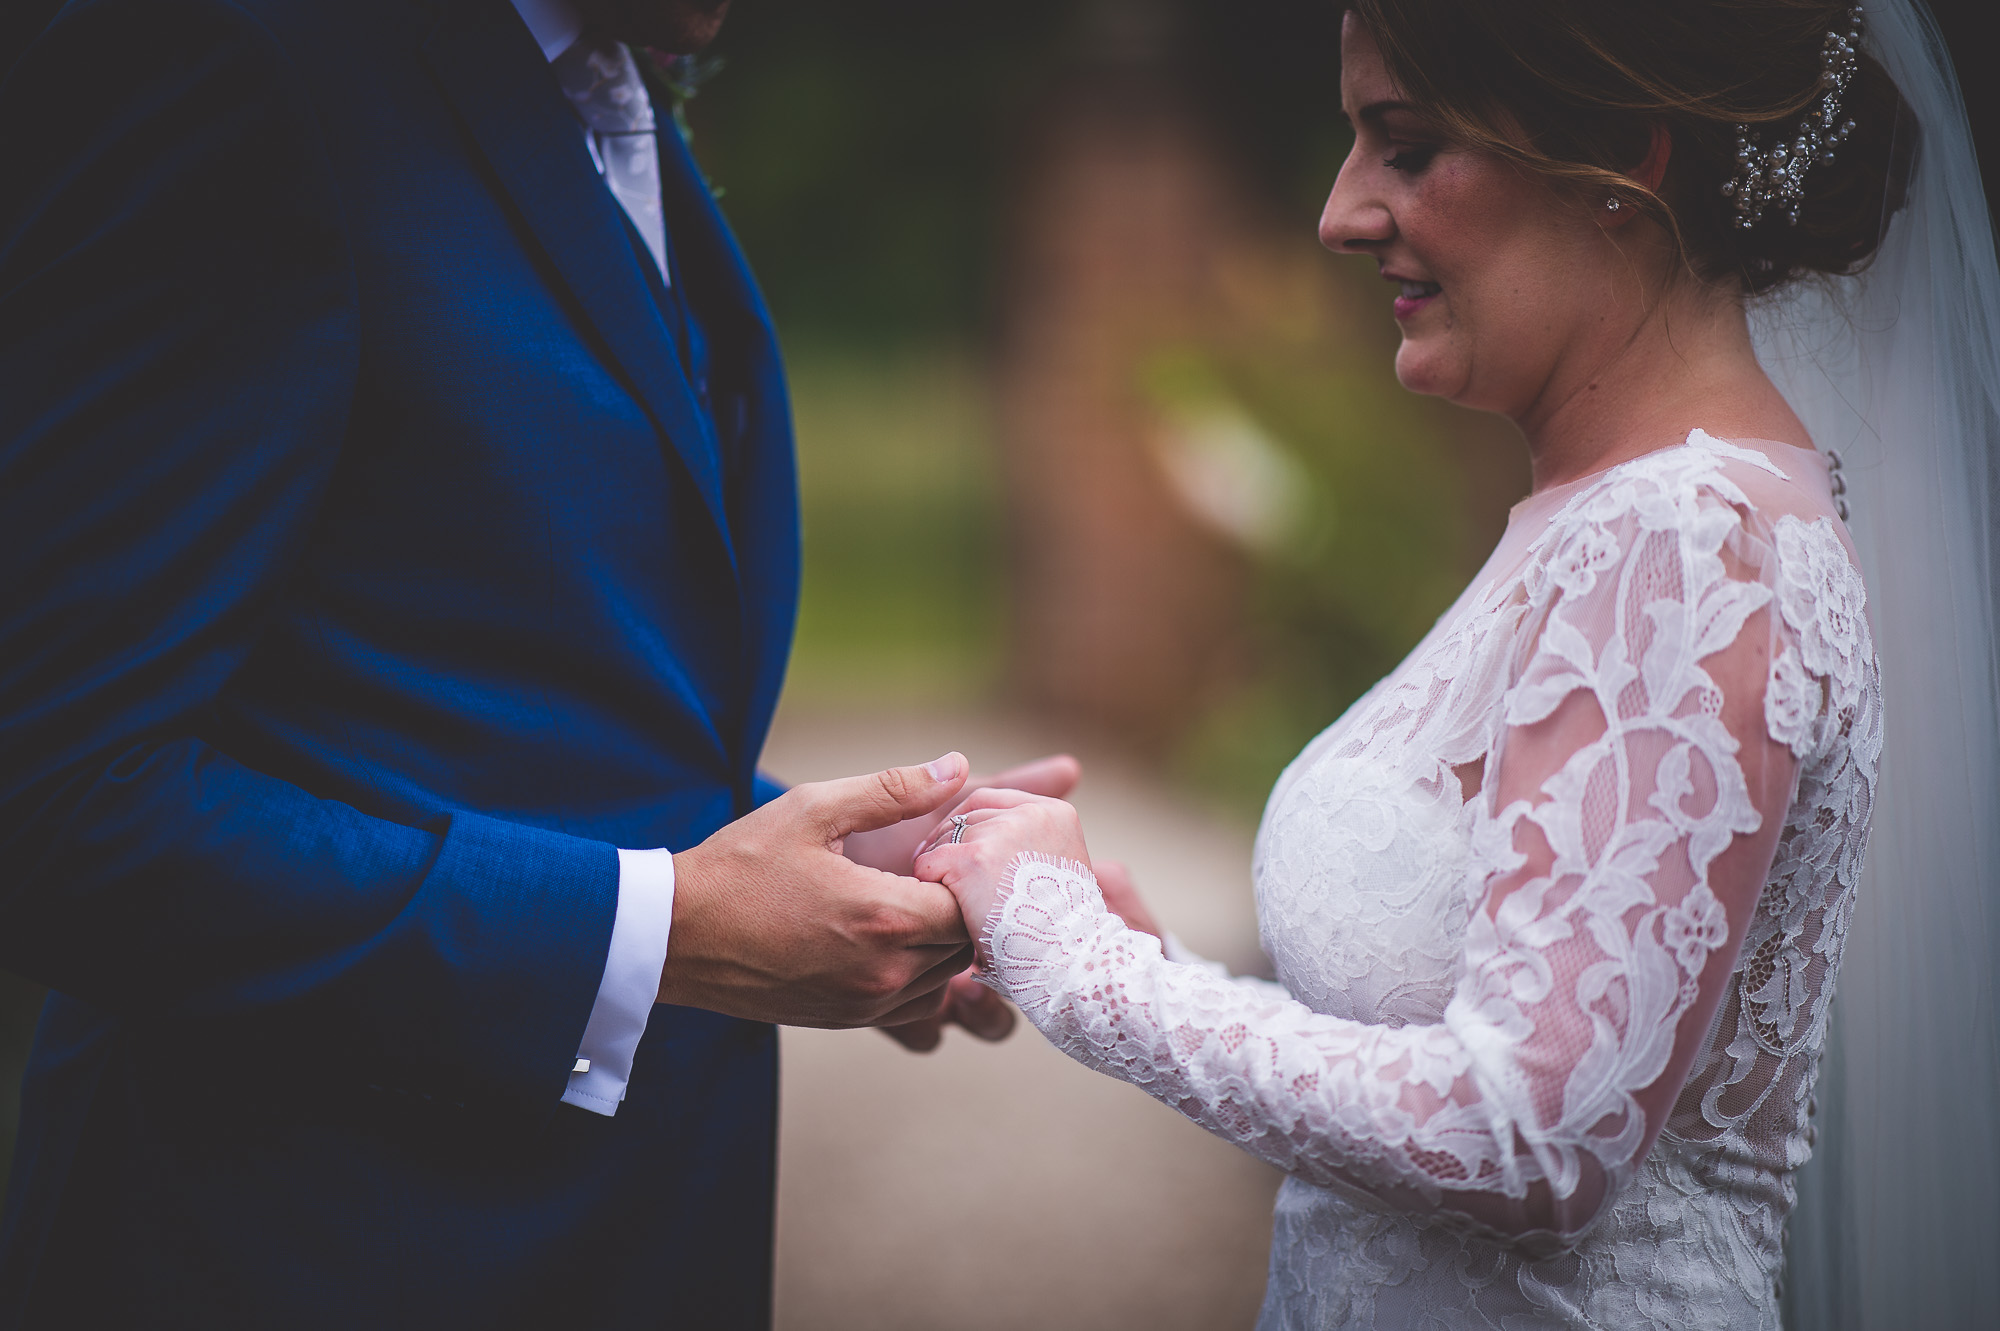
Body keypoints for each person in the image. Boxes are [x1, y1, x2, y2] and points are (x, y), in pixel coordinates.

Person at [915, 0, 2000, 1325]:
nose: (1341, 213)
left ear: (1618, 158)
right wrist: (1159, 966)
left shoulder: (1686, 546)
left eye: (1406, 145)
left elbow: (1531, 1135)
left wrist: (1085, 967)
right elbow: (1497, 1038)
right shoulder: (1615, 517)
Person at [0, 0, 1074, 1325]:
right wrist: (662, 931)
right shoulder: (219, 51)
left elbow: (484, 679)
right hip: (300, 1262)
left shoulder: (599, 80)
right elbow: (55, 797)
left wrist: (858, 872)